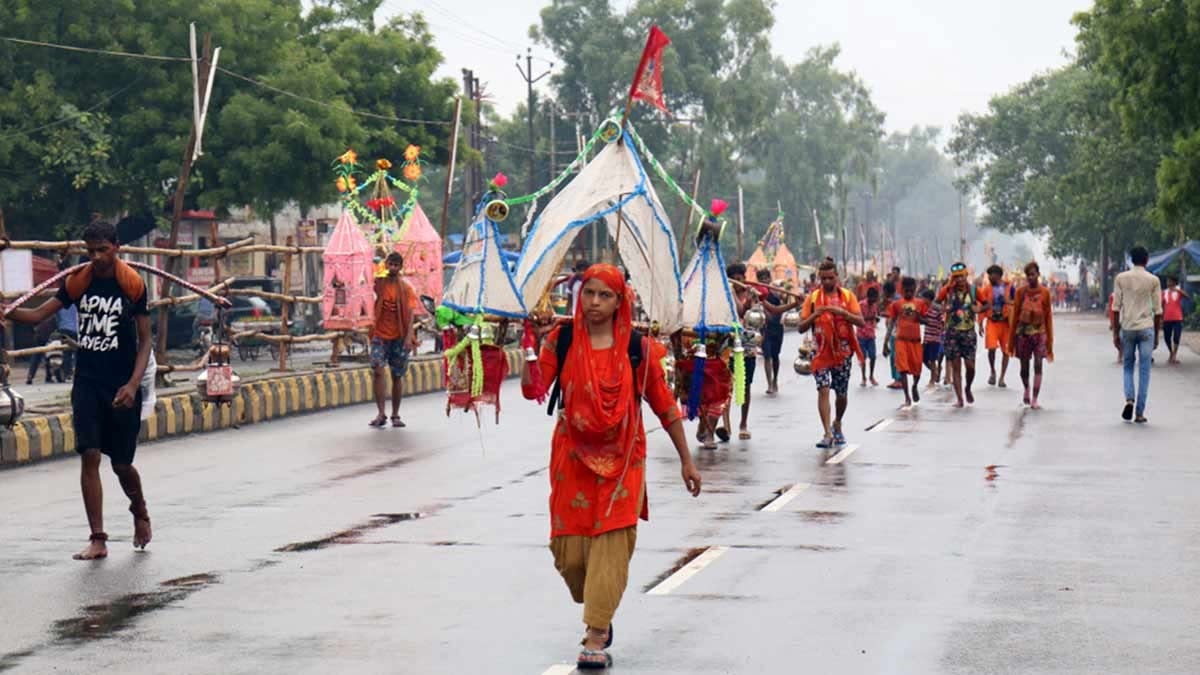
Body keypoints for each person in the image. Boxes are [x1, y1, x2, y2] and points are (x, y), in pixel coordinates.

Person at [521, 263, 702, 670]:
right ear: (579, 296)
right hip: (572, 457)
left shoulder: (638, 349)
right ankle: (598, 602)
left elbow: (664, 407)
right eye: (589, 294)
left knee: (611, 543)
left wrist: (686, 461)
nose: (595, 303)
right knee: (570, 554)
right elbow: (534, 388)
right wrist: (528, 348)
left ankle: (596, 632)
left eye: (605, 296)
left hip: (624, 458)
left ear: (621, 302)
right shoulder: (561, 340)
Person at [3, 222, 153, 560]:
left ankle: (139, 509)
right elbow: (40, 313)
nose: (97, 257)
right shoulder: (80, 280)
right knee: (90, 454)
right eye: (91, 251)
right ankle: (98, 538)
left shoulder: (132, 284)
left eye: (103, 250)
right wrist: (8, 313)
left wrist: (132, 385)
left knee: (121, 465)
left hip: (122, 383)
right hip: (87, 381)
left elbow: (146, 343)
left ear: (116, 247)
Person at [798, 259, 865, 449]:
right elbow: (801, 327)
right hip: (819, 351)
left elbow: (860, 322)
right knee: (823, 389)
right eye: (823, 278)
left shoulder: (847, 297)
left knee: (841, 394)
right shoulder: (812, 298)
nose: (827, 282)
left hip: (843, 352)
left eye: (830, 278)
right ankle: (827, 432)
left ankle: (837, 422)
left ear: (837, 277)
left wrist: (841, 312)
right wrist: (815, 315)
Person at [367, 252, 420, 428]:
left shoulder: (406, 288)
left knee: (397, 375)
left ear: (400, 267)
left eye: (397, 265)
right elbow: (364, 284)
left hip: (399, 336)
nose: (393, 268)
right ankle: (381, 413)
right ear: (386, 264)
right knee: (378, 369)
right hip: (379, 335)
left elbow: (411, 313)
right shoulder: (378, 284)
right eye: (390, 264)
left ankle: (395, 415)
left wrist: (408, 337)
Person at [1112, 246, 1163, 423]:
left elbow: (1115, 308)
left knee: (1127, 366)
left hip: (1128, 328)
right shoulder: (1153, 280)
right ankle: (1139, 413)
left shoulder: (1121, 278)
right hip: (1147, 328)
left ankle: (1129, 399)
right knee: (1144, 370)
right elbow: (1158, 311)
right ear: (1147, 260)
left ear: (1131, 260)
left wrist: (1115, 334)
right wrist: (1156, 335)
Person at [1007, 261, 1054, 409]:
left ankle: (1035, 398)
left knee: (1038, 364)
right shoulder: (1021, 292)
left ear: (1038, 275)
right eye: (1028, 275)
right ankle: (1026, 388)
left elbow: (1048, 316)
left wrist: (1049, 342)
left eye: (1033, 274)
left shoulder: (1045, 293)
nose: (1031, 277)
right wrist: (1011, 340)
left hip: (1040, 333)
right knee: (1024, 367)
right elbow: (1015, 316)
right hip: (1023, 334)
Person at [937, 262, 982, 408]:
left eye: (961, 277)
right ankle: (960, 398)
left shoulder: (974, 291)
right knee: (956, 367)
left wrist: (978, 309)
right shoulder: (947, 291)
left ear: (966, 276)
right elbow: (934, 304)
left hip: (968, 333)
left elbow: (987, 304)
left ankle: (968, 388)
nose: (959, 280)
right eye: (956, 277)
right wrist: (945, 308)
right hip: (952, 333)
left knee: (970, 367)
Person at [883, 277, 928, 407]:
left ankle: (914, 386)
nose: (908, 293)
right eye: (906, 290)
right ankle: (907, 396)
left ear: (915, 290)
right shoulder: (896, 305)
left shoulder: (920, 303)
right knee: (902, 369)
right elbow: (891, 324)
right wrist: (885, 342)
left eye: (911, 290)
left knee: (917, 370)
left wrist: (919, 318)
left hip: (915, 341)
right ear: (902, 290)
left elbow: (926, 321)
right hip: (901, 341)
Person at [754, 268, 797, 396]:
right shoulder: (758, 294)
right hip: (765, 328)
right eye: (761, 279)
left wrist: (788, 291)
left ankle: (775, 379)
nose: (764, 281)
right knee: (767, 355)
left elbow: (783, 301)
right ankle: (769, 384)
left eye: (766, 278)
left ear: (770, 279)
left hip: (777, 327)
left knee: (775, 356)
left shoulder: (776, 292)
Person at [978, 265, 1015, 388]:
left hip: (1005, 323)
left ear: (998, 275)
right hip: (992, 322)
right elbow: (981, 305)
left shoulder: (1009, 288)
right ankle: (992, 371)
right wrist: (980, 323)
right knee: (991, 348)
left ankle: (1002, 377)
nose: (989, 277)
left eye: (991, 275)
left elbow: (1017, 302)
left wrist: (1009, 304)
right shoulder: (986, 289)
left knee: (1006, 352)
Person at [856, 286, 881, 387]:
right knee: (862, 358)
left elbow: (875, 317)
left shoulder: (875, 305)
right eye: (873, 298)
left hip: (871, 334)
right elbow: (858, 318)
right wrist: (871, 318)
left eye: (875, 298)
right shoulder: (861, 305)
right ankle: (863, 377)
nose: (874, 300)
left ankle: (871, 376)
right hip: (861, 334)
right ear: (868, 296)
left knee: (873, 356)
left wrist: (875, 320)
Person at [920, 288, 945, 389]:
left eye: (923, 298)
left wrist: (940, 330)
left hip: (935, 339)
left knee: (932, 359)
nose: (922, 300)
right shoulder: (925, 309)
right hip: (926, 338)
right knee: (924, 358)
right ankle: (935, 372)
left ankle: (932, 380)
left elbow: (943, 321)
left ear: (928, 299)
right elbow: (922, 320)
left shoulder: (937, 309)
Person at [1162, 275, 1189, 364]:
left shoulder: (1178, 291)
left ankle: (1174, 356)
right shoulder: (1164, 292)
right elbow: (1161, 304)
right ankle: (1171, 352)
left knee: (1177, 336)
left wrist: (1177, 289)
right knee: (1167, 337)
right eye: (1167, 281)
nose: (1168, 283)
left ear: (1174, 282)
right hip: (1166, 318)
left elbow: (1187, 296)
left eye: (1170, 281)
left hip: (1177, 318)